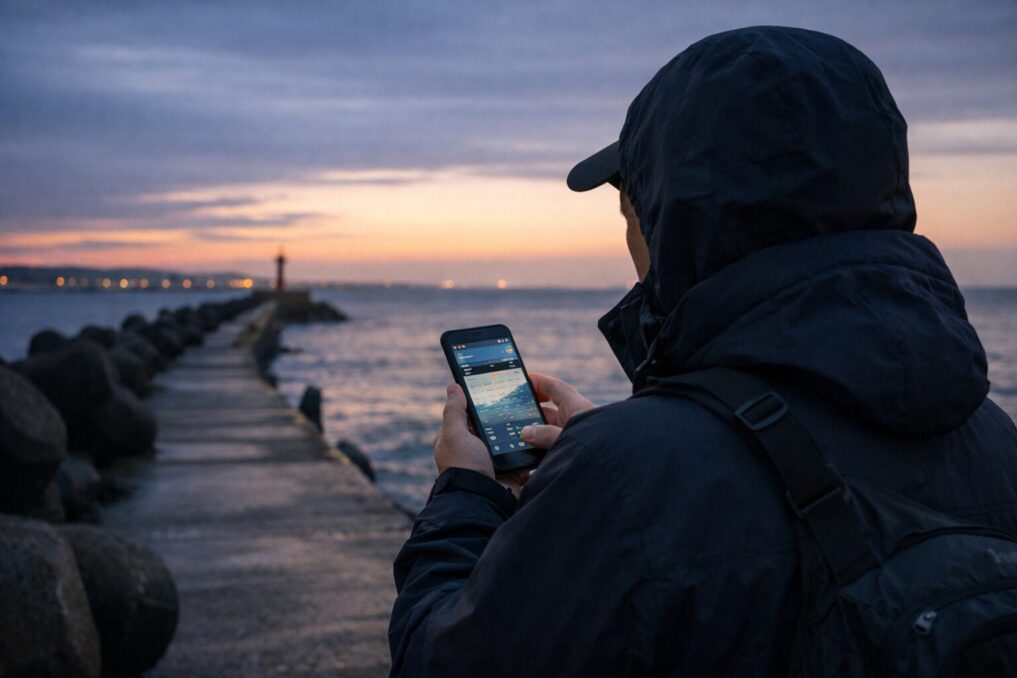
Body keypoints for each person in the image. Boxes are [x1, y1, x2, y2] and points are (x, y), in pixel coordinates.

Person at [388, 26, 1017, 676]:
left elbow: (440, 663)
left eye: (629, 212)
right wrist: (629, 442)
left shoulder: (626, 475)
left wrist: (463, 492)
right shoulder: (996, 440)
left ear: (674, 217)